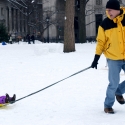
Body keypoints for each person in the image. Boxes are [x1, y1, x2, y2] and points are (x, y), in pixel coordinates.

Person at [91, 0, 125, 114]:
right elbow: (100, 42)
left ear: (117, 9)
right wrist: (96, 59)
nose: (108, 12)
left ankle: (119, 91)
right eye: (107, 10)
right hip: (113, 58)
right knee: (113, 84)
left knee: (116, 87)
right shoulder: (104, 24)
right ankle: (108, 105)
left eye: (110, 10)